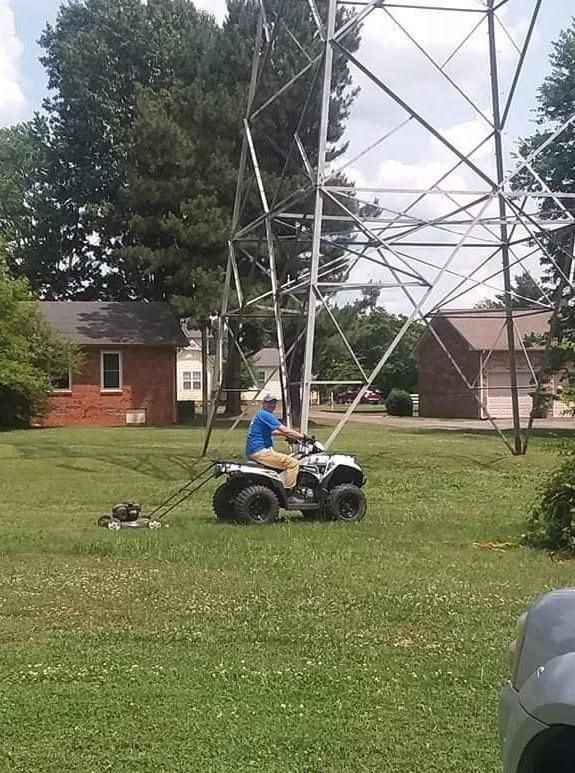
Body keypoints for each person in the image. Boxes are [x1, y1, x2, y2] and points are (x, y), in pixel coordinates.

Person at [246, 393, 306, 495]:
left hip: (254, 450)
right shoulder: (266, 415)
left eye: (274, 403)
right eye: (269, 403)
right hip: (260, 451)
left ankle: (279, 486)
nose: (272, 405)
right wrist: (302, 436)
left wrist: (287, 436)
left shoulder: (260, 414)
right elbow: (283, 428)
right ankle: (289, 492)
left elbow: (272, 432)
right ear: (263, 403)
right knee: (293, 463)